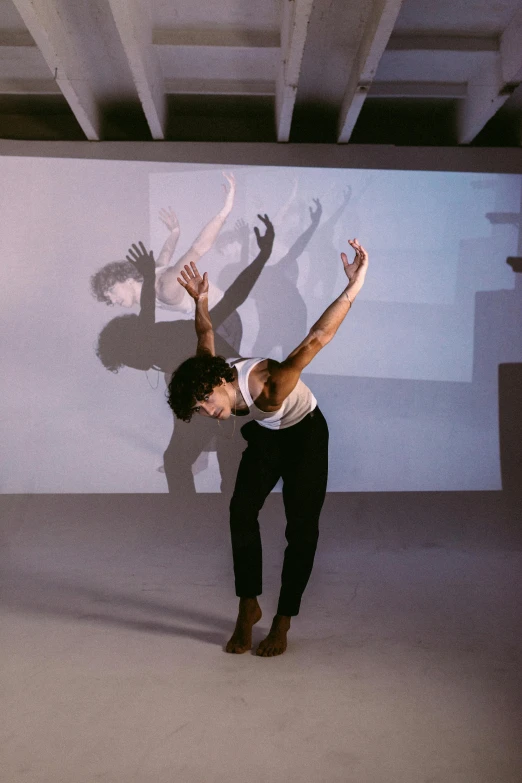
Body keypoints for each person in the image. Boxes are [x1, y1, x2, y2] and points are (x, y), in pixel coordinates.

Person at [167, 237, 369, 657]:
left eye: (207, 402)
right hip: (267, 434)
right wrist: (201, 300)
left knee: (302, 529)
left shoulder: (271, 384)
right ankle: (248, 608)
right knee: (241, 511)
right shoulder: (210, 371)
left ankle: (283, 620)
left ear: (220, 384)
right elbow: (204, 331)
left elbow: (317, 338)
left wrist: (352, 287)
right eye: (199, 410)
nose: (207, 412)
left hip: (304, 434)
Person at [90, 172, 236, 313]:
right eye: (108, 299)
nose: (113, 300)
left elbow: (198, 249)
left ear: (127, 280)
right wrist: (175, 232)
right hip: (218, 317)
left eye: (111, 291)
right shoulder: (151, 278)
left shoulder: (164, 287)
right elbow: (165, 256)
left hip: (222, 319)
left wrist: (225, 211)